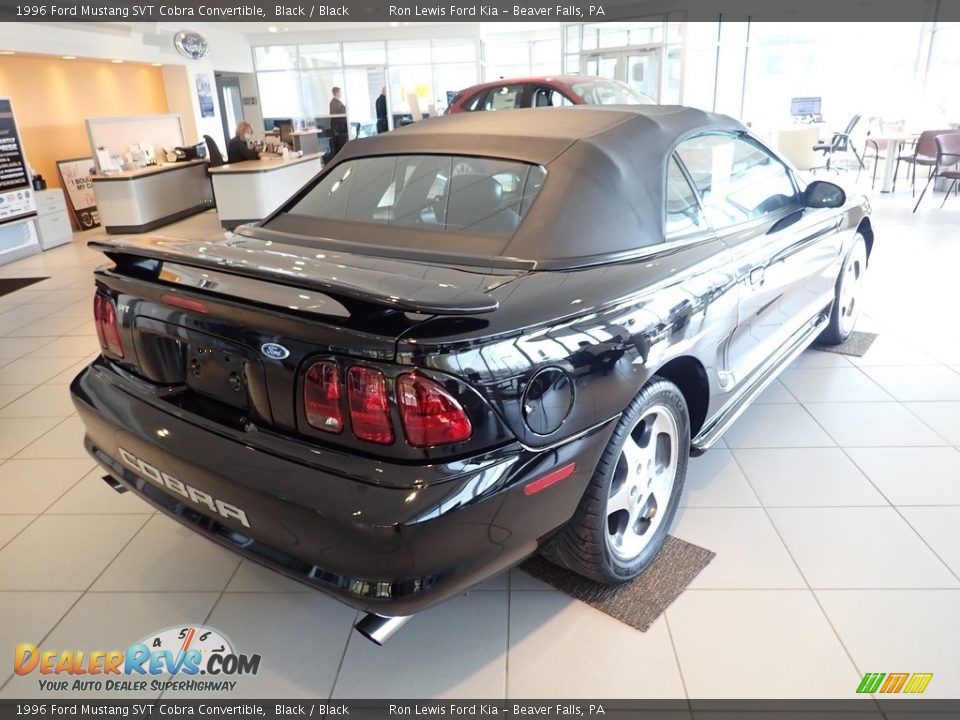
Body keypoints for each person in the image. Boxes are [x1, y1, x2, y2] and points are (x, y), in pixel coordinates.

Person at [329, 87, 348, 156]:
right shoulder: (334, 103)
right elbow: (338, 117)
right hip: (339, 129)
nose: (341, 94)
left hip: (339, 129)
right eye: (340, 92)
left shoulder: (336, 103)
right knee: (341, 148)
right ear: (337, 93)